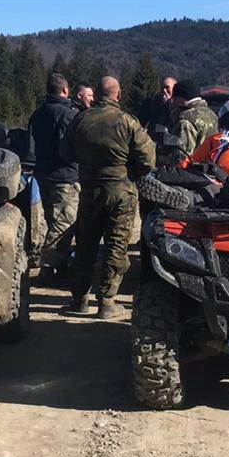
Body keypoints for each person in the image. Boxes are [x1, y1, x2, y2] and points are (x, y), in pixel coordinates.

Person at [60, 76, 154, 320]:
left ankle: (79, 299)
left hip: (90, 191)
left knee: (85, 245)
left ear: (98, 94)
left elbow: (66, 152)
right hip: (121, 192)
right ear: (118, 95)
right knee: (116, 246)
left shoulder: (81, 119)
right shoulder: (127, 121)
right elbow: (148, 159)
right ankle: (107, 301)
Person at [28, 73, 81, 280]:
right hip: (64, 175)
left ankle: (61, 266)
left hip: (43, 173)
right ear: (65, 90)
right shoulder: (68, 115)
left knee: (53, 220)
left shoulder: (38, 114)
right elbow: (72, 146)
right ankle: (48, 267)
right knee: (64, 224)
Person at [174, 77, 217, 157]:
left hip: (194, 163)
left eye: (175, 98)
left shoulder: (187, 120)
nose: (174, 102)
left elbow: (184, 155)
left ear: (182, 98)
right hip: (213, 162)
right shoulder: (213, 115)